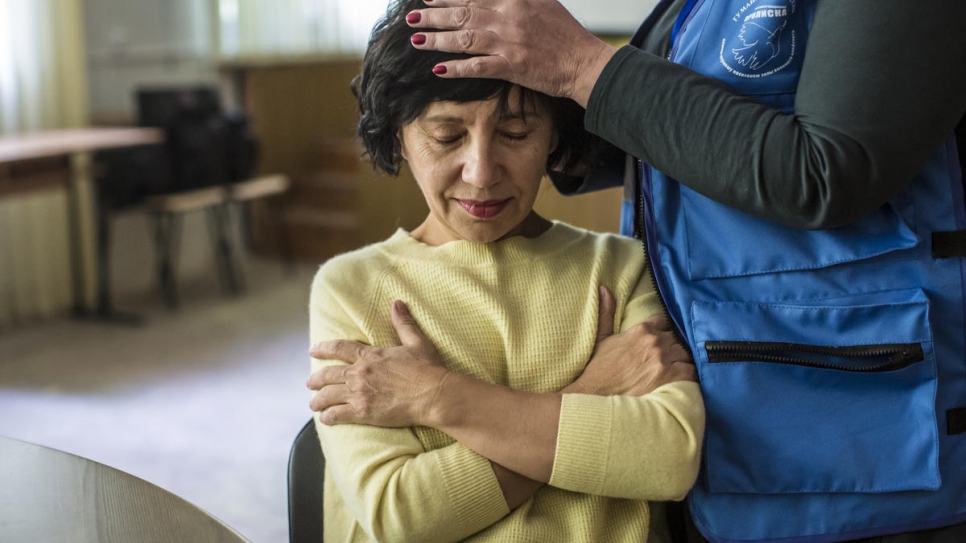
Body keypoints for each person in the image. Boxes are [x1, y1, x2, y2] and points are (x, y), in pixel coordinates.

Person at [395, 1, 966, 542]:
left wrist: (577, 65)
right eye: (447, 135)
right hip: (725, 427)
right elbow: (693, 134)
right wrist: (536, 114)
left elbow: (825, 173)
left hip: (865, 448)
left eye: (513, 134)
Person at [304, 1, 704, 541]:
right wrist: (593, 390)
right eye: (447, 136)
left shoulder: (621, 267)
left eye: (516, 134)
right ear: (399, 135)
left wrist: (436, 397)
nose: (482, 171)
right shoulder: (352, 287)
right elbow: (402, 515)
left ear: (555, 137)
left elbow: (668, 458)